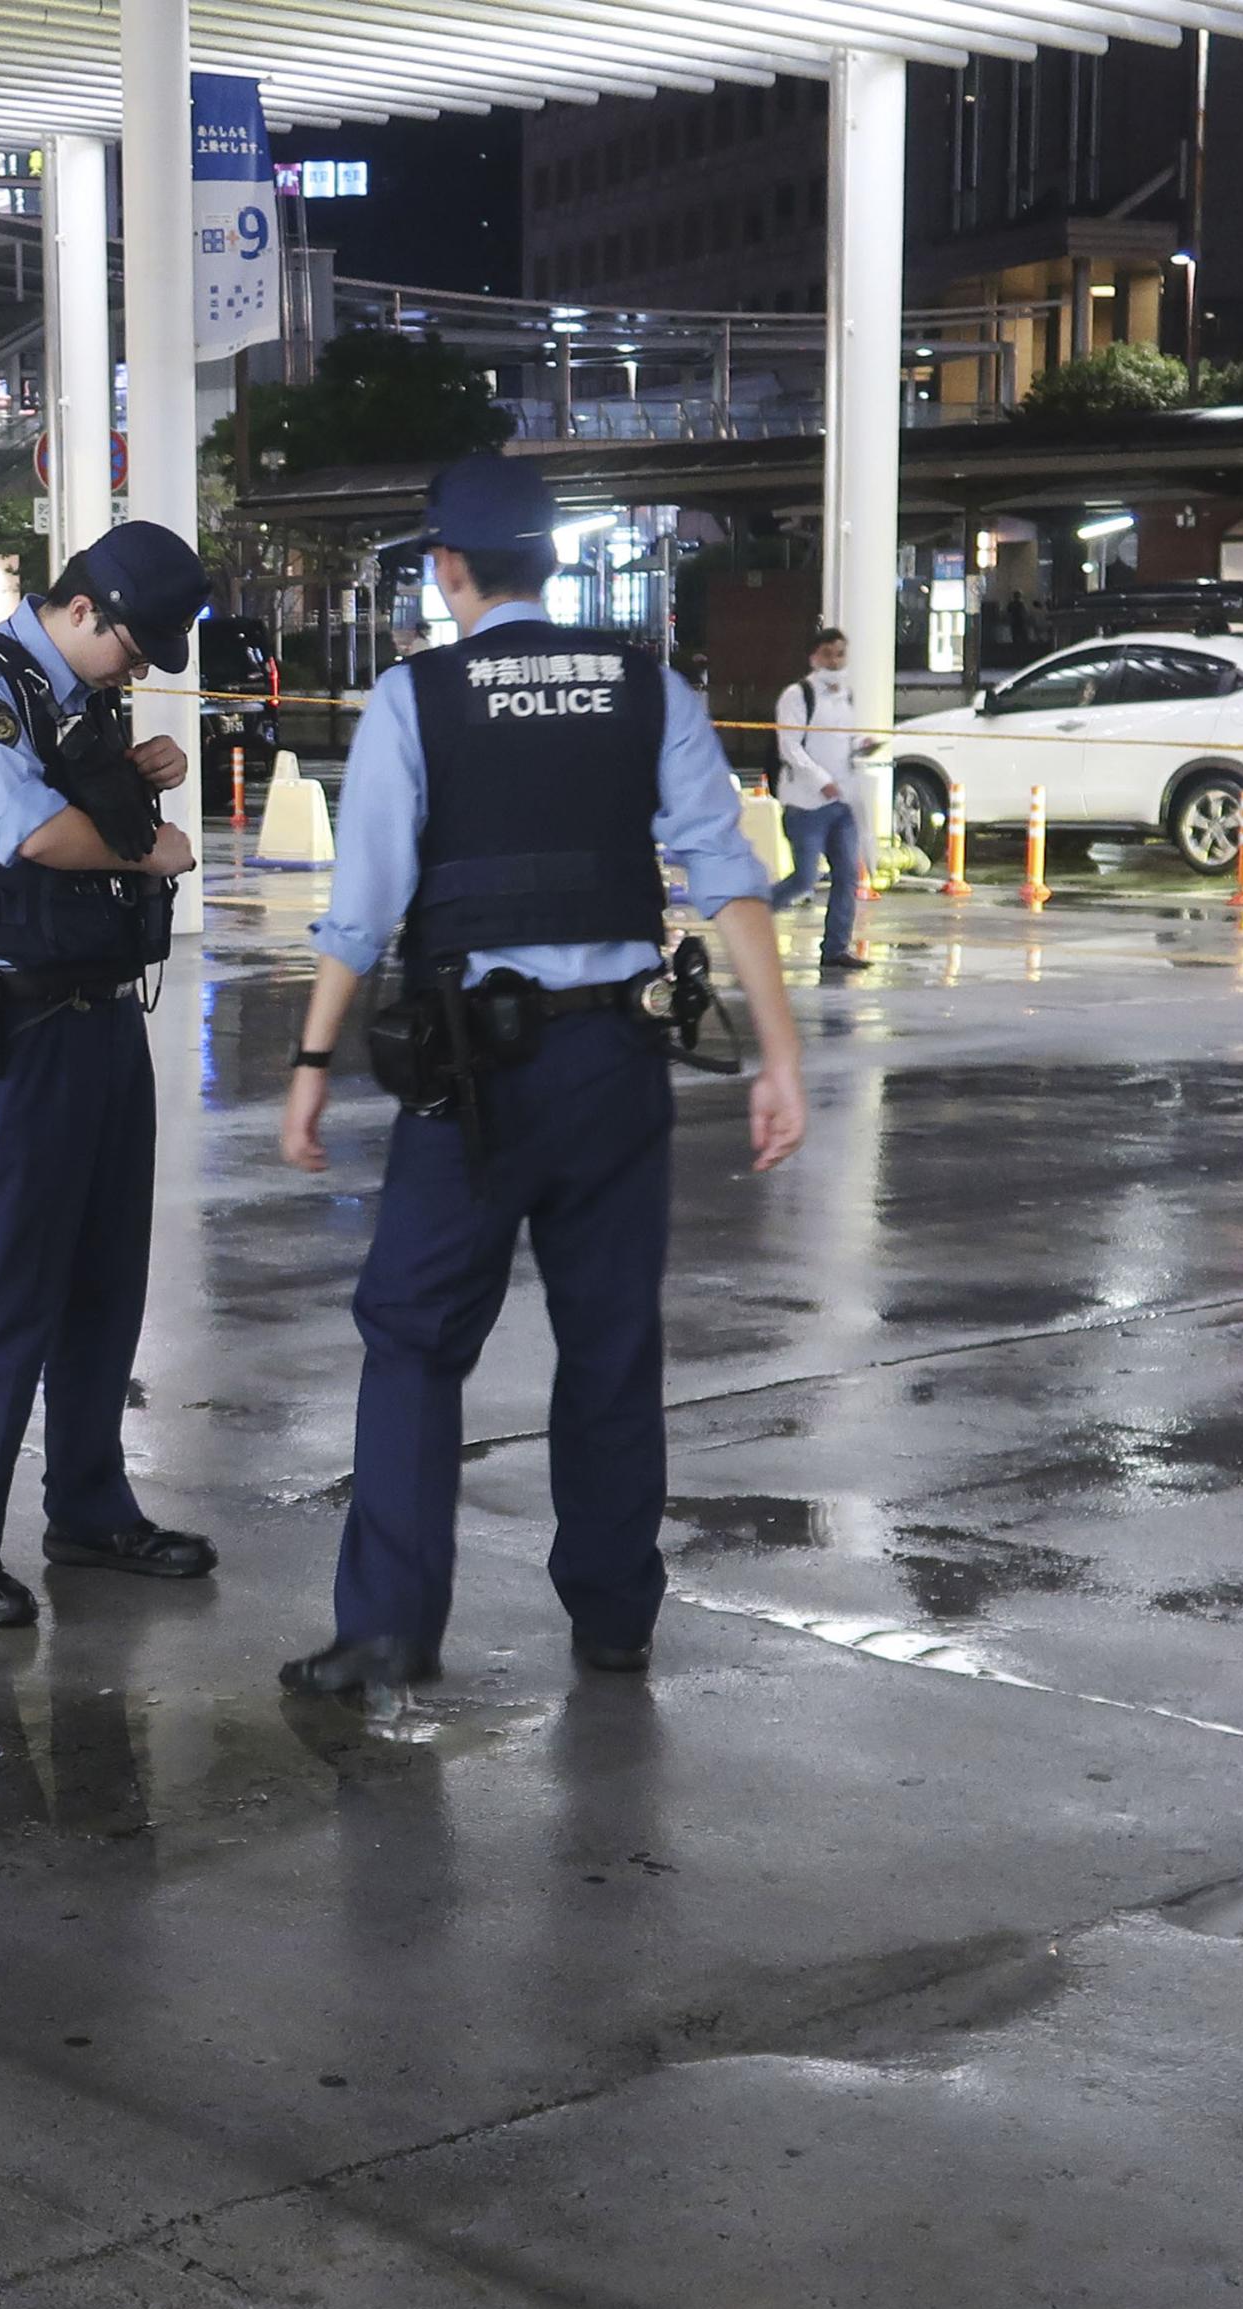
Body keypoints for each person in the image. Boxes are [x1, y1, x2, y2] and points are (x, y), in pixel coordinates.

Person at [273, 455, 809, 1699]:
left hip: (471, 1075)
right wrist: (776, 1056)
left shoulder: (418, 700)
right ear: (553, 563)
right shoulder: (646, 688)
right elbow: (724, 875)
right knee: (610, 1340)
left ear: (445, 566)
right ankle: (613, 1618)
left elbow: (360, 912)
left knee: (411, 1338)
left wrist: (310, 1063)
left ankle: (390, 1631)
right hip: (613, 1058)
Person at [0, 520, 220, 1629]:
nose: (136, 669)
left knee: (101, 1283)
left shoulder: (75, 700)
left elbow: (75, 791)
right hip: (17, 1028)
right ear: (83, 607)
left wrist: (135, 775)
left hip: (98, 1021)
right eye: (133, 648)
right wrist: (152, 845)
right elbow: (31, 835)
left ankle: (89, 1505)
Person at [771, 625, 877, 977]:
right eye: (829, 653)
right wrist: (822, 782)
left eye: (841, 653)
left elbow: (843, 739)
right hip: (806, 804)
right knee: (804, 879)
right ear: (814, 656)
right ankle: (752, 917)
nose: (836, 660)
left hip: (842, 801)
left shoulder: (846, 694)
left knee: (847, 875)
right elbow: (790, 747)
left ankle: (835, 949)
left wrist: (861, 745)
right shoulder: (797, 695)